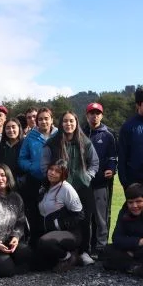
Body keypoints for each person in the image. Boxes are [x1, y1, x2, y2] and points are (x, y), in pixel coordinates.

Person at [41, 111, 99, 265]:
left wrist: (87, 177)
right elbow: (44, 164)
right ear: (61, 124)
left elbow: (94, 162)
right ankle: (65, 251)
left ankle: (84, 252)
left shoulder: (85, 141)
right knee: (63, 220)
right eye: (65, 121)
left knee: (85, 220)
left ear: (76, 122)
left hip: (82, 187)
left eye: (71, 121)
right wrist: (51, 180)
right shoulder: (52, 143)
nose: (68, 124)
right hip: (60, 188)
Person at [36, 160, 85, 271]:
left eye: (57, 171)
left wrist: (60, 224)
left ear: (63, 174)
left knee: (44, 242)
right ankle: (63, 258)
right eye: (51, 169)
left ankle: (69, 257)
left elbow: (80, 215)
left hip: (70, 233)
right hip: (49, 233)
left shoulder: (67, 189)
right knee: (37, 265)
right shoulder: (44, 186)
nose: (52, 173)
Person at [82, 102, 118, 256]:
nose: (94, 116)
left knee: (101, 217)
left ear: (101, 115)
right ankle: (86, 247)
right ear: (87, 115)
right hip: (83, 183)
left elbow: (113, 156)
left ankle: (102, 247)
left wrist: (111, 168)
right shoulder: (80, 133)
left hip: (101, 182)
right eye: (91, 113)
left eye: (97, 113)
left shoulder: (108, 134)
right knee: (85, 217)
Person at [18, 107, 57, 238]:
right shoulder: (30, 137)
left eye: (46, 118)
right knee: (35, 216)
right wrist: (33, 167)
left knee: (53, 215)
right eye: (40, 119)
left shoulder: (59, 135)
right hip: (35, 181)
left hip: (55, 182)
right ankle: (36, 248)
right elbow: (22, 158)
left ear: (52, 120)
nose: (43, 121)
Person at [0, 117, 25, 189]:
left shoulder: (25, 145)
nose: (11, 130)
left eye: (13, 127)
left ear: (19, 128)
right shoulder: (0, 147)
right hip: (3, 186)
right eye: (8, 128)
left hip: (22, 186)